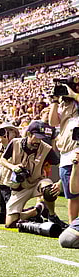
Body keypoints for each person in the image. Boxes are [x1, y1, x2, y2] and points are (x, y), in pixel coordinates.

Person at [0, 121, 62, 228]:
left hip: (38, 183)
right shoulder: (15, 143)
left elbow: (62, 164)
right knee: (10, 223)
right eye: (36, 137)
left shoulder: (46, 148)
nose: (39, 141)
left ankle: (52, 215)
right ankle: (37, 210)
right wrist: (13, 167)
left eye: (41, 138)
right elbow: (2, 160)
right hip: (19, 187)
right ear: (29, 134)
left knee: (49, 189)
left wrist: (60, 182)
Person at [49, 80, 79, 224]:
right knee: (72, 195)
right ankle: (73, 227)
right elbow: (52, 122)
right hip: (67, 154)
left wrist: (74, 95)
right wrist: (54, 101)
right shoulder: (63, 105)